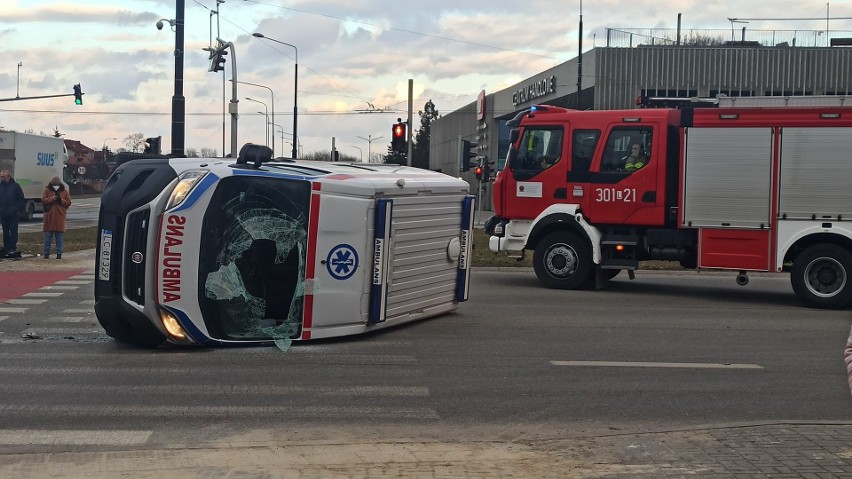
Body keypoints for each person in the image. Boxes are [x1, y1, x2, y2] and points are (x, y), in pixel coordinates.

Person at [41, 176, 72, 259]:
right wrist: (51, 199)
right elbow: (43, 200)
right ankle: (46, 253)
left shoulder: (64, 192)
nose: (55, 187)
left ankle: (59, 253)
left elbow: (69, 202)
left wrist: (60, 200)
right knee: (48, 235)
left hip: (60, 216)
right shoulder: (47, 191)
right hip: (49, 216)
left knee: (59, 235)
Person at [0, 169, 24, 258]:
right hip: (3, 213)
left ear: (8, 177)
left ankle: (12, 248)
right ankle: (6, 248)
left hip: (13, 214)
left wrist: (16, 209)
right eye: (1, 176)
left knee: (13, 231)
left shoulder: (15, 186)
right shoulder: (0, 186)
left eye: (3, 177)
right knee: (5, 232)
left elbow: (21, 199)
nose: (1, 178)